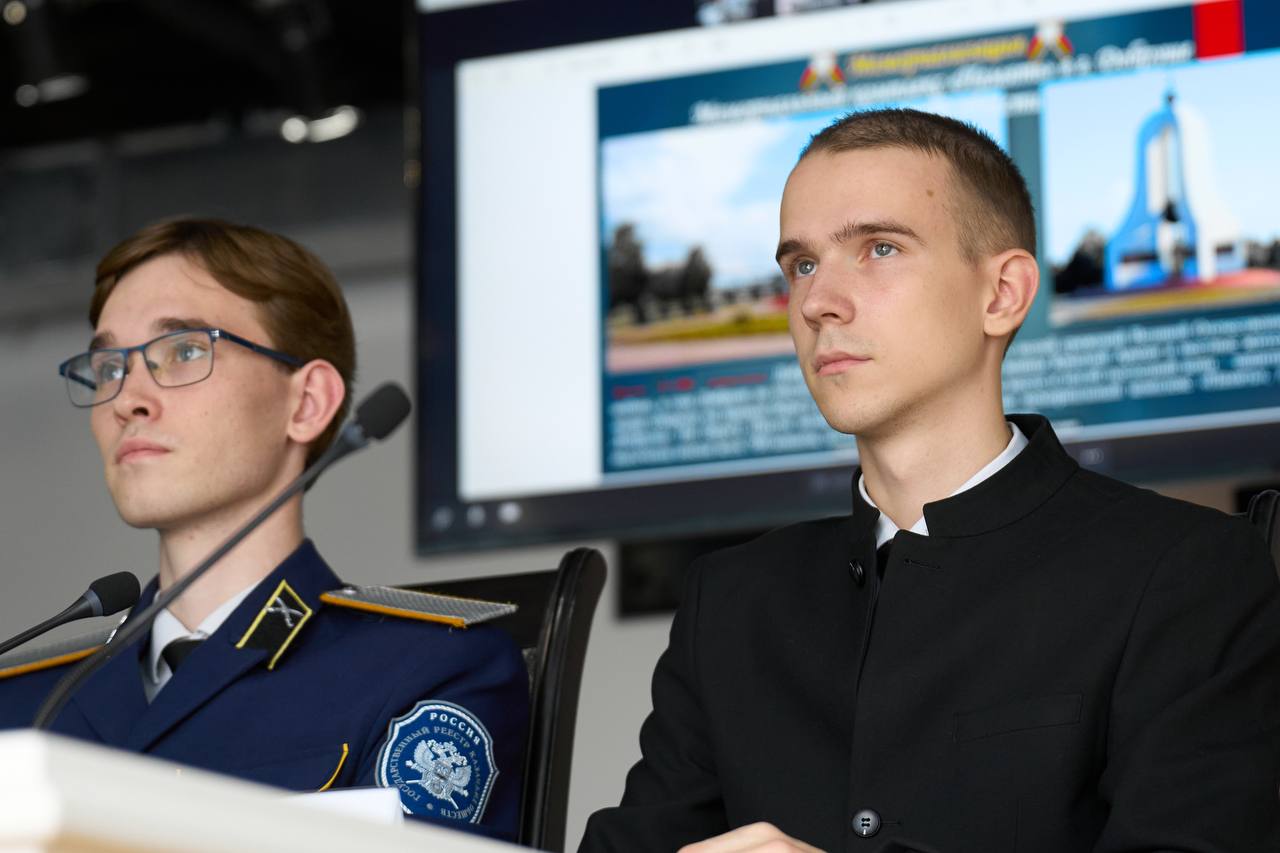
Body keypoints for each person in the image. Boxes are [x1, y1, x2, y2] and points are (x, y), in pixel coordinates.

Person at [580, 109, 1280, 852]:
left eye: (879, 249)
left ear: (1003, 294)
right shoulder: (729, 603)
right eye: (803, 265)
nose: (817, 303)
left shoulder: (1188, 575)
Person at [0, 219, 529, 840]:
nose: (126, 400)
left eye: (185, 351)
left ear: (306, 403)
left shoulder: (422, 673)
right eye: (109, 365)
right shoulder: (25, 702)